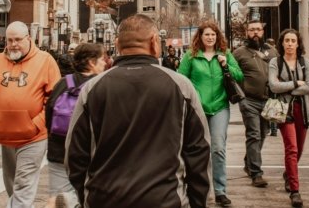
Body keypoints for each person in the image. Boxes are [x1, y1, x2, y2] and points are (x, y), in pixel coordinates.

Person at [66, 14, 210, 208]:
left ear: (117, 44)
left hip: (105, 199)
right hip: (166, 200)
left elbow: (74, 155)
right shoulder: (180, 86)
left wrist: (87, 197)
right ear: (154, 42)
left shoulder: (92, 89)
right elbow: (199, 151)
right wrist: (198, 202)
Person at [0, 21, 61, 208]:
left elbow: (54, 98)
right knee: (12, 185)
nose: (14, 44)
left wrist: (36, 124)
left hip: (33, 137)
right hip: (5, 134)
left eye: (18, 39)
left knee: (24, 184)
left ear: (29, 39)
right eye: (10, 40)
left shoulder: (45, 60)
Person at [178, 20, 243, 207]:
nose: (210, 37)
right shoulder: (191, 56)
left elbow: (239, 76)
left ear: (218, 37)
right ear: (200, 36)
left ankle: (221, 191)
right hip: (197, 109)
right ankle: (195, 188)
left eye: (213, 34)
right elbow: (180, 79)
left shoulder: (225, 54)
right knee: (196, 150)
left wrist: (226, 65)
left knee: (218, 148)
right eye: (207, 34)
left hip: (220, 107)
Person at [45, 43, 107, 208]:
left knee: (57, 194)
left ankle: (64, 200)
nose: (105, 63)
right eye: (102, 59)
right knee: (88, 195)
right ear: (91, 62)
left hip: (58, 148)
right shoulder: (101, 85)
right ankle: (72, 201)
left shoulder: (63, 83)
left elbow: (49, 113)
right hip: (89, 151)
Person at [269, 29, 309, 208]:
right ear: (282, 43)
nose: (289, 43)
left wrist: (286, 87)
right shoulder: (276, 62)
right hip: (284, 111)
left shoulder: (305, 62)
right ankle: (295, 191)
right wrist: (296, 84)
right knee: (292, 149)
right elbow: (274, 86)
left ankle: (289, 173)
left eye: (293, 41)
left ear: (298, 44)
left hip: (303, 111)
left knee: (300, 150)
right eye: (286, 40)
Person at [232, 18, 277, 188]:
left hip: (269, 101)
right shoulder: (239, 53)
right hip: (249, 101)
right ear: (247, 32)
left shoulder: (272, 52)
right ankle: (256, 173)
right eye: (252, 30)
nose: (255, 32)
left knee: (263, 134)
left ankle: (248, 162)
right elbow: (231, 76)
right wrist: (240, 96)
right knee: (254, 134)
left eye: (258, 29)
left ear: (263, 32)